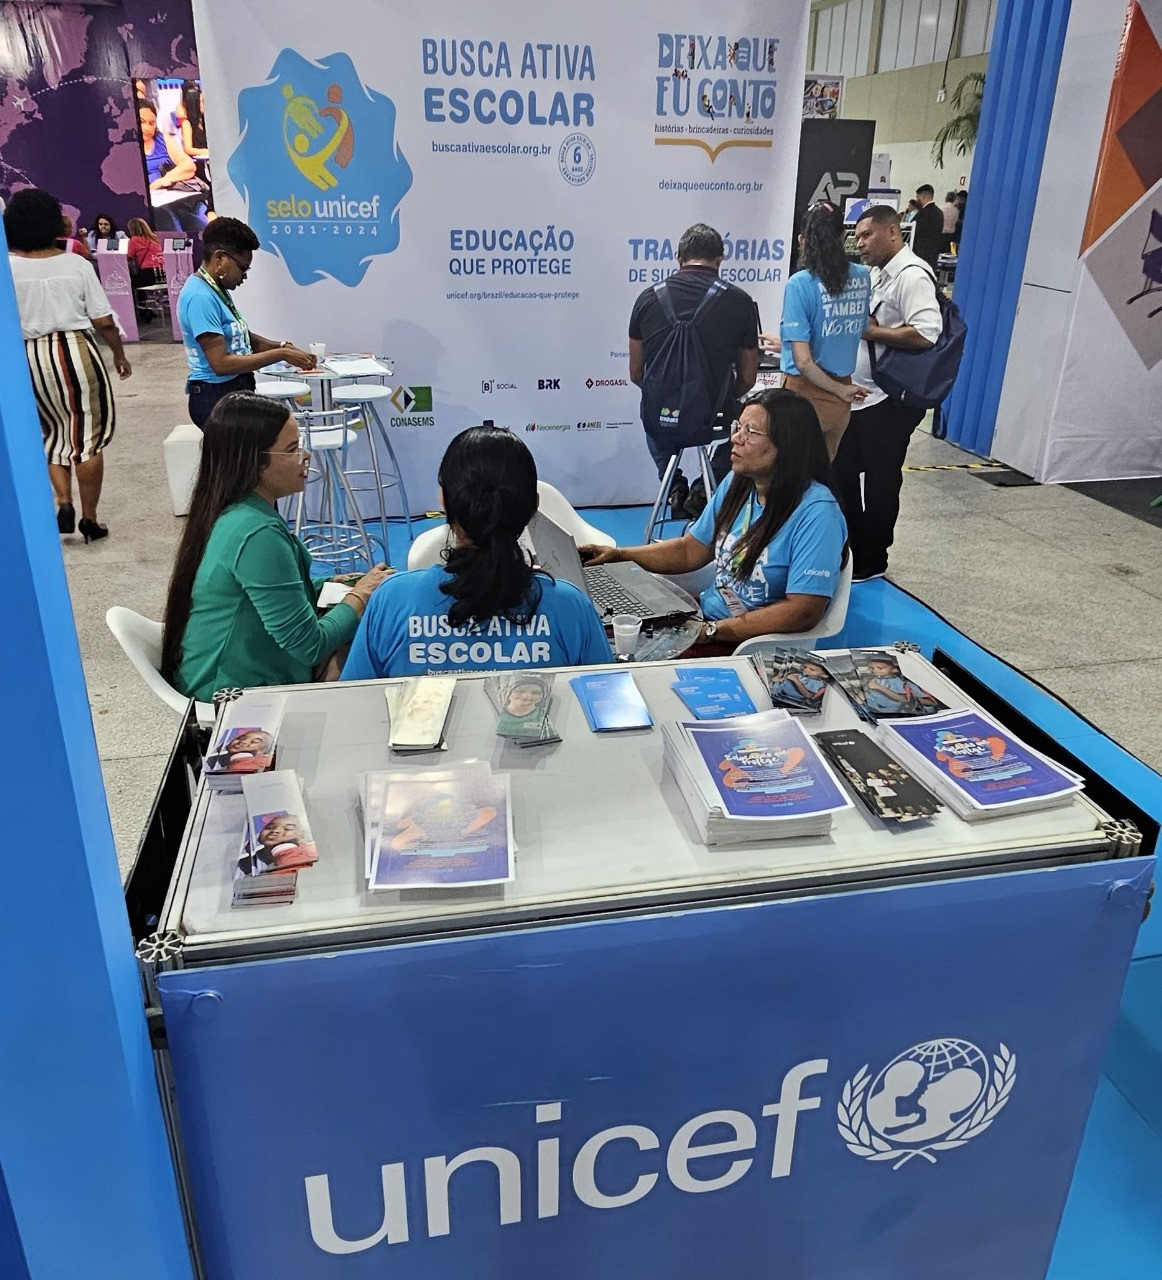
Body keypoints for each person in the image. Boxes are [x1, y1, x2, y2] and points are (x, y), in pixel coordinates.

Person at [161, 392, 392, 701]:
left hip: (237, 671)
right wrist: (360, 596)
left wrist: (327, 585)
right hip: (234, 694)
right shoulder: (258, 532)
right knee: (378, 637)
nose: (306, 457)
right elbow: (310, 646)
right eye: (293, 449)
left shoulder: (236, 512)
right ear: (255, 464)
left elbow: (258, 593)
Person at [580, 388, 846, 650]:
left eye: (750, 432)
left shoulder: (818, 513)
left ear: (787, 444)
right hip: (707, 618)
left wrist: (713, 632)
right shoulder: (739, 483)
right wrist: (619, 555)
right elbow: (690, 550)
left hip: (746, 643)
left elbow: (804, 610)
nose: (736, 439)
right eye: (737, 427)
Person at [341, 426, 612, 679]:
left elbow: (356, 709)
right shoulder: (571, 607)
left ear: (444, 502)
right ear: (534, 506)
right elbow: (608, 703)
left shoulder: (391, 600)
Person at [5, 188, 131, 541]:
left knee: (52, 431)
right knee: (87, 437)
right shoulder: (75, 264)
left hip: (30, 355)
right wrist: (119, 354)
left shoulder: (8, 269)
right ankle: (90, 518)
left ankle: (63, 501)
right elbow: (103, 319)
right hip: (74, 352)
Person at [834, 205, 942, 582]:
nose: (859, 243)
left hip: (891, 399)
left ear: (893, 232)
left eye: (867, 235)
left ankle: (873, 558)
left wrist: (872, 332)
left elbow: (928, 332)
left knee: (880, 480)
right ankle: (855, 545)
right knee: (841, 470)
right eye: (857, 236)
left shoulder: (911, 276)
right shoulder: (880, 276)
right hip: (864, 395)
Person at [628, 222, 759, 518]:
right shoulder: (739, 302)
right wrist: (722, 396)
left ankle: (674, 486)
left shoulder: (647, 298)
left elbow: (637, 374)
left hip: (660, 418)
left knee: (651, 415)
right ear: (720, 259)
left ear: (678, 258)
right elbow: (749, 377)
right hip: (714, 416)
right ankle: (704, 488)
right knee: (752, 424)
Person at [177, 216, 316, 427]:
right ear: (220, 258)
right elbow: (221, 363)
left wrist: (282, 346)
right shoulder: (200, 297)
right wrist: (280, 354)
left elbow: (243, 338)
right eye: (243, 268)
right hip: (215, 397)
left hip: (231, 391)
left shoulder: (215, 290)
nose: (244, 276)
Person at [778, 200, 872, 459]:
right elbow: (847, 328)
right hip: (842, 398)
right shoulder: (863, 276)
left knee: (793, 481)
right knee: (822, 475)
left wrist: (838, 390)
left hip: (804, 397)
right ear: (843, 236)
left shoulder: (799, 284)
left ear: (802, 240)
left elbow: (804, 362)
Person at [138, 98, 206, 235]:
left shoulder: (162, 139)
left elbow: (189, 166)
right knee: (169, 221)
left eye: (151, 123)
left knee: (200, 222)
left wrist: (164, 180)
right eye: (142, 122)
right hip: (153, 206)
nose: (147, 128)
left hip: (174, 197)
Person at [910, 185, 945, 269]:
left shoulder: (923, 214)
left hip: (920, 256)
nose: (916, 200)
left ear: (923, 197)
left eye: (917, 197)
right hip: (932, 256)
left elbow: (915, 231)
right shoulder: (939, 212)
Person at [178, 81, 209, 158]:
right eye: (201, 102)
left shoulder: (204, 121)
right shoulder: (187, 123)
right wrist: (206, 151)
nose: (204, 105)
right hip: (198, 162)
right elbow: (188, 149)